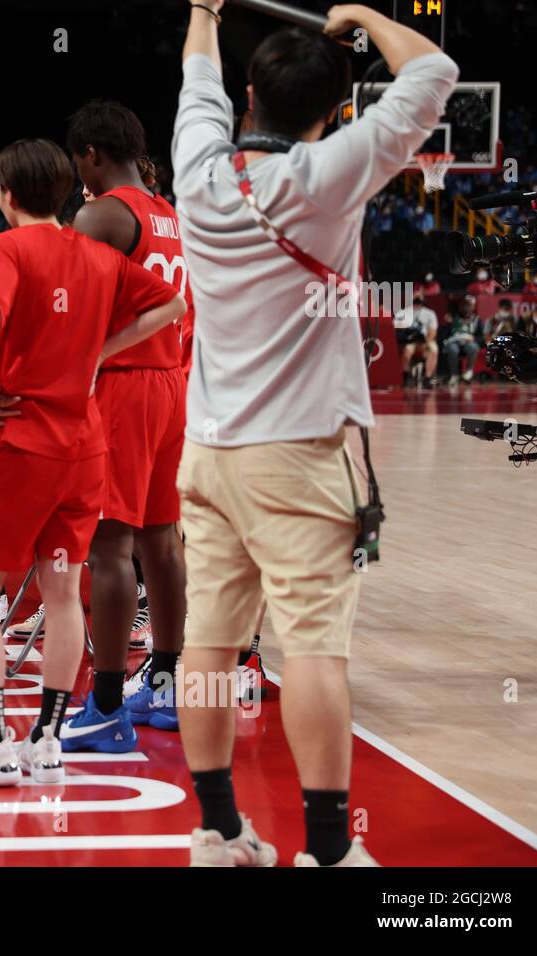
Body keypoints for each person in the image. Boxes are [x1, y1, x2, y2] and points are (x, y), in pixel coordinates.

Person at [170, 0, 456, 866]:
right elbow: (433, 73)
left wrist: (204, 10)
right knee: (317, 653)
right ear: (334, 112)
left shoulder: (196, 171)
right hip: (298, 458)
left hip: (208, 453)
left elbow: (195, 84)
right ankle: (330, 854)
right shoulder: (332, 169)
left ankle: (218, 833)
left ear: (249, 93)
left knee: (211, 648)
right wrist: (367, 14)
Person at [0, 138, 183, 788]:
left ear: (6, 197)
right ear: (67, 192)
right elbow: (172, 305)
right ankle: (48, 740)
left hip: (20, 446)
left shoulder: (9, 248)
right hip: (84, 446)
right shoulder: (92, 250)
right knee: (66, 591)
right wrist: (98, 352)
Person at [65, 99, 194, 749]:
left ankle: (107, 706)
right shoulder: (169, 216)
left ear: (90, 155)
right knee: (161, 541)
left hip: (122, 387)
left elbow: (72, 315)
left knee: (108, 547)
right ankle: (165, 689)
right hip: (172, 383)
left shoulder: (100, 214)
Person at [392, 289, 439, 385]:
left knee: (433, 349)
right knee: (407, 350)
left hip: (425, 340)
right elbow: (394, 325)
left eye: (419, 296)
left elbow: (433, 331)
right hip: (410, 341)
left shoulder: (430, 313)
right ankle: (405, 375)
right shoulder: (403, 312)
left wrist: (426, 343)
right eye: (415, 295)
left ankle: (428, 377)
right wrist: (405, 326)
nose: (417, 297)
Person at [444, 294, 480, 384]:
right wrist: (448, 324)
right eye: (465, 305)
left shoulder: (476, 319)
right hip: (454, 341)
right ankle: (454, 375)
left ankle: (469, 371)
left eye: (469, 305)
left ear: (473, 307)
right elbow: (446, 333)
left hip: (469, 342)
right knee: (452, 349)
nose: (466, 307)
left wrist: (474, 339)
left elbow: (481, 336)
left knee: (473, 347)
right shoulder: (453, 317)